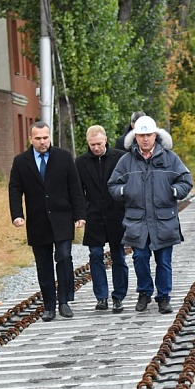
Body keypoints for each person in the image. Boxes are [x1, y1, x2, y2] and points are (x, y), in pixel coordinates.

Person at [108, 115, 193, 314]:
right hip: (137, 221)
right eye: (141, 135)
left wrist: (174, 192)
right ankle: (144, 292)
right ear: (135, 137)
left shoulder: (170, 158)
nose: (145, 139)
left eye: (148, 135)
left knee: (164, 260)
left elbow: (185, 180)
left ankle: (164, 296)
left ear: (155, 135)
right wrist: (124, 191)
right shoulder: (126, 161)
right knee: (140, 258)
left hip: (164, 219)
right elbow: (113, 184)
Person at [9, 120, 87, 322]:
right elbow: (15, 189)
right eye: (38, 138)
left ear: (49, 136)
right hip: (38, 220)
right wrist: (17, 214)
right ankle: (49, 306)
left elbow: (75, 187)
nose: (42, 142)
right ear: (30, 139)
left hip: (62, 217)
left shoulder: (63, 157)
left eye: (45, 137)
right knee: (43, 265)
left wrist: (80, 214)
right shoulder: (20, 162)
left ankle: (64, 301)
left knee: (63, 256)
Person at [75, 125, 128, 313]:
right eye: (92, 145)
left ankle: (119, 296)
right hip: (94, 215)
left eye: (98, 143)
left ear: (105, 140)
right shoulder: (80, 163)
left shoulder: (120, 157)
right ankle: (101, 297)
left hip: (116, 214)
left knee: (118, 255)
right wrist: (81, 213)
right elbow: (77, 191)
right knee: (95, 255)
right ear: (88, 143)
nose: (96, 148)